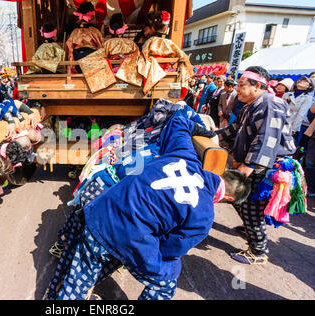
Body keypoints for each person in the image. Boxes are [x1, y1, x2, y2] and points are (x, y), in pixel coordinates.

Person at [45, 115, 251, 300]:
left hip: (99, 213)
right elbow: (168, 249)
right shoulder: (204, 216)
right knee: (166, 281)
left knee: (84, 270)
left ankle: (64, 293)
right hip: (126, 236)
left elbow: (178, 119)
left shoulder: (184, 154)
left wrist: (207, 134)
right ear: (229, 198)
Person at [216, 66, 296, 265]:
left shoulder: (271, 104)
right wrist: (212, 136)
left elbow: (265, 140)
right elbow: (233, 130)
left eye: (242, 85)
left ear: (257, 85)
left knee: (250, 206)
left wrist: (245, 169)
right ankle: (250, 228)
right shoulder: (250, 105)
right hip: (254, 162)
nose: (238, 89)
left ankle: (258, 250)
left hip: (264, 166)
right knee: (240, 201)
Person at [78, 13, 143, 93]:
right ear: (123, 27)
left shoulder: (107, 43)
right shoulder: (131, 44)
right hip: (126, 73)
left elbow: (99, 56)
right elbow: (137, 57)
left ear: (110, 28)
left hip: (111, 72)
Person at [137, 11, 194, 94]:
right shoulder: (169, 43)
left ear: (153, 27)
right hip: (167, 74)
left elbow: (142, 58)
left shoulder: (148, 42)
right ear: (165, 28)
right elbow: (184, 58)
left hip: (149, 75)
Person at [65, 1, 104, 73]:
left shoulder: (74, 32)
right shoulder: (95, 32)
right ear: (92, 16)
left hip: (77, 66)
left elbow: (69, 52)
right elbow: (101, 49)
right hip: (92, 67)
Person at [283, 76, 314, 146]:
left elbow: (301, 114)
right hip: (281, 122)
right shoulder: (287, 94)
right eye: (301, 79)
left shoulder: (308, 98)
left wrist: (294, 129)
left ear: (309, 86)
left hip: (292, 124)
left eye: (305, 81)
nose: (301, 81)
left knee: (287, 146)